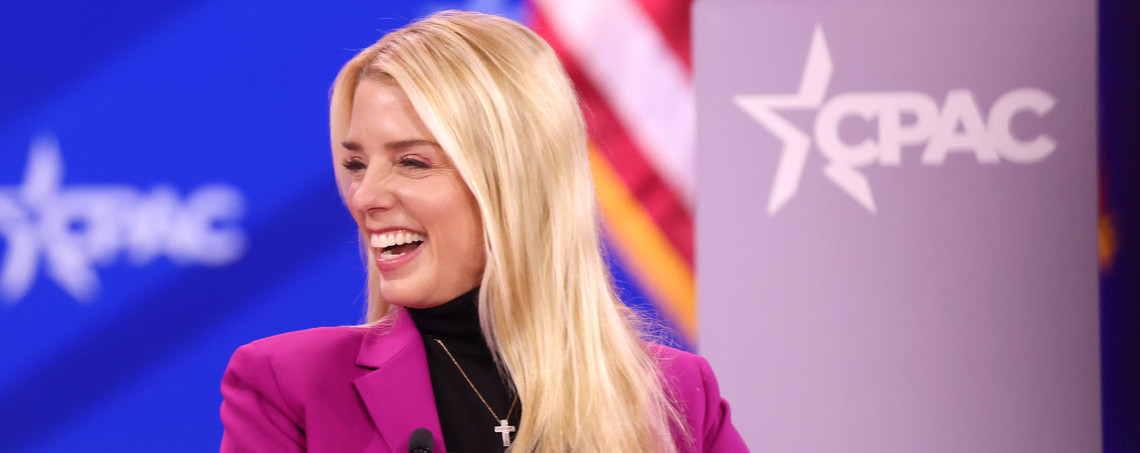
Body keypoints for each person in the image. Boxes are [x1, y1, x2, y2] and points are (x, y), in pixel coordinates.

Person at [219, 10, 747, 453]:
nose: (364, 196)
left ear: (514, 179)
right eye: (356, 165)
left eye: (411, 162)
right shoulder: (289, 386)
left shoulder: (679, 395)